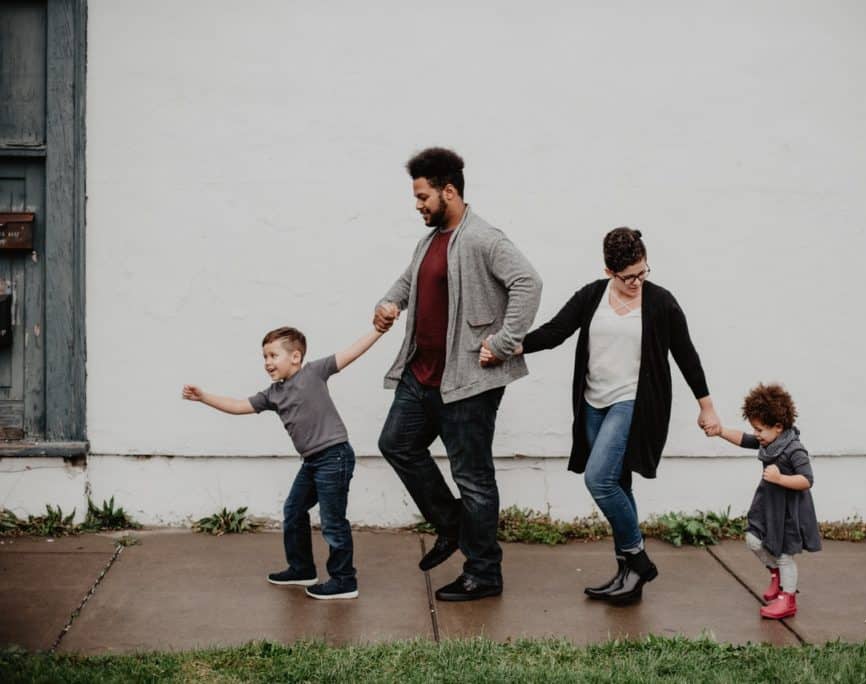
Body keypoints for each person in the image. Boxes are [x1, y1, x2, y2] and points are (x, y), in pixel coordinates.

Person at [481, 227, 721, 605]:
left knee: (599, 481)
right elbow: (556, 331)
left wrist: (706, 405)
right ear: (610, 271)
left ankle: (638, 559)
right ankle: (628, 576)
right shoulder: (593, 296)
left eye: (643, 272)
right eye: (629, 277)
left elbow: (686, 354)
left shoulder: (660, 302)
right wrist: (508, 348)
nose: (637, 282)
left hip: (633, 403)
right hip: (593, 404)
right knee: (619, 484)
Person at [374, 147, 542, 601]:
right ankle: (451, 526)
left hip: (467, 381)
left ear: (449, 191)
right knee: (396, 444)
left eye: (423, 196)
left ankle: (484, 572)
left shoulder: (484, 238)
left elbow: (529, 282)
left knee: (473, 477)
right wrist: (388, 304)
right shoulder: (430, 240)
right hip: (421, 374)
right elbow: (409, 281)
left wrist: (504, 342)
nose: (418, 204)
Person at [182, 325, 382, 600]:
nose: (267, 363)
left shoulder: (314, 372)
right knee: (294, 510)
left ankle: (344, 580)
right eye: (264, 357)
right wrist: (204, 397)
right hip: (312, 461)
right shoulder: (273, 394)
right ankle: (302, 569)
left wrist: (378, 330)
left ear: (296, 357)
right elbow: (239, 405)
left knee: (333, 522)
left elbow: (351, 353)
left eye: (273, 356)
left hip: (334, 456)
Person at [707, 383, 821, 619]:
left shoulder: (794, 449)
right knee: (752, 540)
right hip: (768, 505)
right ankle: (776, 575)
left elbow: (807, 480)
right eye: (755, 429)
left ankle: (787, 599)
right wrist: (720, 431)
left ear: (778, 427)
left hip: (788, 511)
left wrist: (780, 478)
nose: (756, 434)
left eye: (760, 429)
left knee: (783, 555)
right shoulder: (768, 441)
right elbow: (743, 439)